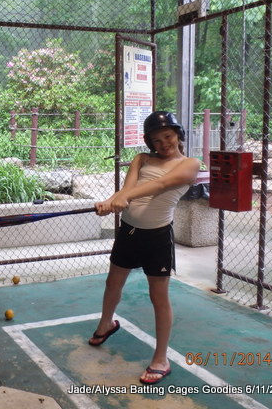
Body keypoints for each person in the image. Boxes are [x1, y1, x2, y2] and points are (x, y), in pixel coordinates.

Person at [87, 111, 200, 385]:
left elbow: (158, 185)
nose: (164, 144)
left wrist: (120, 197)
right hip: (129, 231)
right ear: (149, 142)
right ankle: (106, 324)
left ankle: (161, 359)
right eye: (157, 140)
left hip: (157, 237)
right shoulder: (141, 159)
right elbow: (128, 188)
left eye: (168, 137)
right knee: (112, 283)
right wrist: (111, 202)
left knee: (158, 297)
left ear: (178, 135)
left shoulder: (190, 164)